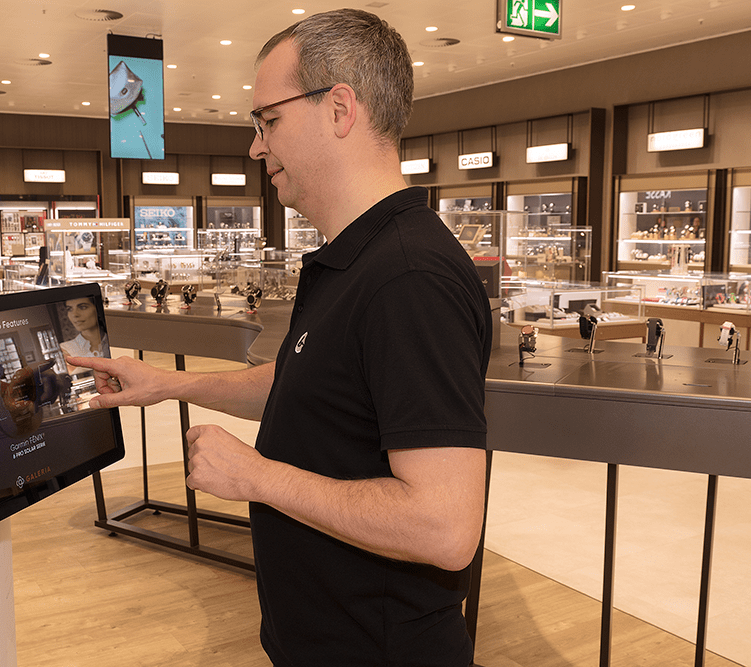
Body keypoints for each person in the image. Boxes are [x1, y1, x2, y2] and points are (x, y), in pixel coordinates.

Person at [68, 9, 491, 666]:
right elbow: (307, 381)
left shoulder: (409, 277)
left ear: (339, 109)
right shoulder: (352, 258)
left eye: (268, 120)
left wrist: (260, 477)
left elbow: (444, 526)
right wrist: (169, 384)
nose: (256, 146)